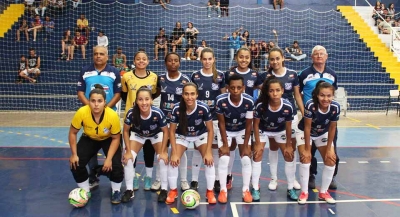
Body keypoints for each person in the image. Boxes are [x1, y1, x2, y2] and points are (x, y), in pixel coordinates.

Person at [69, 84, 124, 204]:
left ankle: (116, 191)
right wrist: (74, 154)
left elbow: (116, 138)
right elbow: (73, 133)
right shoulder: (82, 112)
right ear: (89, 102)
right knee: (75, 164)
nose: (96, 104)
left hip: (109, 139)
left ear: (105, 102)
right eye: (93, 101)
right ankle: (85, 191)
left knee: (116, 165)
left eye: (99, 101)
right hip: (90, 138)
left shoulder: (112, 115)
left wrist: (108, 159)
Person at [77, 46, 122, 190]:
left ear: (107, 56)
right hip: (91, 116)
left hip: (110, 116)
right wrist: (91, 108)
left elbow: (118, 93)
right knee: (90, 146)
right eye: (95, 53)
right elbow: (80, 92)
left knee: (113, 151)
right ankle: (93, 176)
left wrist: (105, 108)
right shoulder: (85, 70)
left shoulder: (114, 72)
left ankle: (113, 178)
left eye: (101, 54)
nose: (98, 56)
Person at [166, 83, 217, 204]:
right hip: (182, 136)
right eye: (187, 94)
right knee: (173, 161)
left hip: (200, 134)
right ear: (182, 95)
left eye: (192, 94)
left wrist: (208, 151)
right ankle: (173, 191)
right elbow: (172, 131)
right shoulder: (177, 108)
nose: (189, 97)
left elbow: (210, 130)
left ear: (197, 95)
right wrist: (173, 152)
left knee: (209, 161)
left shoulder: (203, 108)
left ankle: (210, 192)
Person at [298, 45, 339, 190]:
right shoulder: (304, 74)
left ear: (326, 56)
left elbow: (332, 93)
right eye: (316, 54)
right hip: (310, 118)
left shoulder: (332, 74)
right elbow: (298, 93)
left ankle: (332, 176)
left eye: (322, 54)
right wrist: (304, 110)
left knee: (332, 150)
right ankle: (311, 175)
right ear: (312, 57)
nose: (319, 56)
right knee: (310, 151)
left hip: (327, 120)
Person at [264, 47, 304, 192]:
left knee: (290, 148)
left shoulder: (292, 75)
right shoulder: (266, 76)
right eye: (272, 59)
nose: (275, 61)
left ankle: (291, 179)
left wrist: (303, 113)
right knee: (273, 147)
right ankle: (274, 178)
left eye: (277, 58)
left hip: (290, 116)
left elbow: (297, 96)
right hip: (272, 117)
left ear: (283, 58)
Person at [223, 47, 263, 189]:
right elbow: (223, 92)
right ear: (236, 58)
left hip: (247, 117)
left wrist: (258, 106)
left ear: (250, 59)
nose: (244, 59)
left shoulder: (254, 74)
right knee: (231, 147)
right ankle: (228, 175)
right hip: (230, 116)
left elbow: (262, 89)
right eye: (241, 57)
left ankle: (251, 180)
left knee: (247, 150)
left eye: (247, 57)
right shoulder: (229, 73)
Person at [121, 87, 169, 203]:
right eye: (140, 99)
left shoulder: (157, 112)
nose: (144, 103)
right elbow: (126, 131)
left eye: (147, 99)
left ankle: (164, 189)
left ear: (151, 100)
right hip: (138, 135)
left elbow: (166, 131)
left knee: (162, 159)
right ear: (136, 101)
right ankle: (129, 190)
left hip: (155, 135)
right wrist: (127, 151)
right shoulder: (132, 113)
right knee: (128, 159)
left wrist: (163, 152)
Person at [253, 75, 296, 201]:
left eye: (277, 90)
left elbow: (288, 127)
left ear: (282, 90)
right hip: (263, 130)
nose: (275, 93)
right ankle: (255, 188)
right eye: (271, 91)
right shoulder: (261, 106)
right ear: (267, 92)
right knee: (257, 154)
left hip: (280, 130)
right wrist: (257, 143)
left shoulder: (287, 106)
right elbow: (255, 125)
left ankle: (290, 187)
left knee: (289, 155)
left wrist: (289, 145)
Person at [296, 81, 340, 204]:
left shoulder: (335, 107)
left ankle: (323, 192)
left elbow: (332, 128)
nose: (325, 99)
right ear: (317, 95)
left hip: (322, 133)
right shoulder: (310, 105)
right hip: (305, 132)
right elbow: (307, 127)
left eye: (328, 95)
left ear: (332, 96)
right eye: (322, 95)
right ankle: (304, 192)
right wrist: (306, 149)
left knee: (331, 159)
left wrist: (330, 149)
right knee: (305, 158)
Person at [121, 50, 158, 192]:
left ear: (148, 61)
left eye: (144, 59)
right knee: (131, 151)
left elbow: (153, 95)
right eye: (138, 59)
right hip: (132, 119)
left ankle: (148, 177)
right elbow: (125, 95)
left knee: (149, 150)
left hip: (148, 119)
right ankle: (133, 177)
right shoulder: (126, 76)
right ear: (134, 61)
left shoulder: (154, 77)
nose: (141, 61)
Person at [190, 48, 226, 193]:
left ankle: (217, 179)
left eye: (210, 59)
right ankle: (194, 180)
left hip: (215, 118)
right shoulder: (195, 76)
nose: (207, 61)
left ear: (214, 59)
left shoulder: (220, 76)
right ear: (201, 60)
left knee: (215, 149)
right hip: (198, 119)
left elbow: (223, 97)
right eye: (204, 59)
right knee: (199, 150)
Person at [214, 74, 253, 203]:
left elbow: (248, 124)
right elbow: (221, 124)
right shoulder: (220, 100)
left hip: (242, 129)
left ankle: (246, 190)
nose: (235, 91)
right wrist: (225, 144)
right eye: (232, 88)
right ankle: (223, 190)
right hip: (227, 130)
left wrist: (246, 145)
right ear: (227, 88)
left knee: (246, 158)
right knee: (224, 158)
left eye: (238, 88)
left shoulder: (249, 101)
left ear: (243, 88)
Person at [156, 52, 190, 191]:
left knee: (181, 152)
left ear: (179, 63)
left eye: (176, 60)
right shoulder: (161, 79)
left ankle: (183, 180)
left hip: (179, 122)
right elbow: (155, 94)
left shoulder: (185, 80)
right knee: (161, 150)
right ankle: (158, 179)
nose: (173, 63)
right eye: (170, 61)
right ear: (166, 63)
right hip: (163, 122)